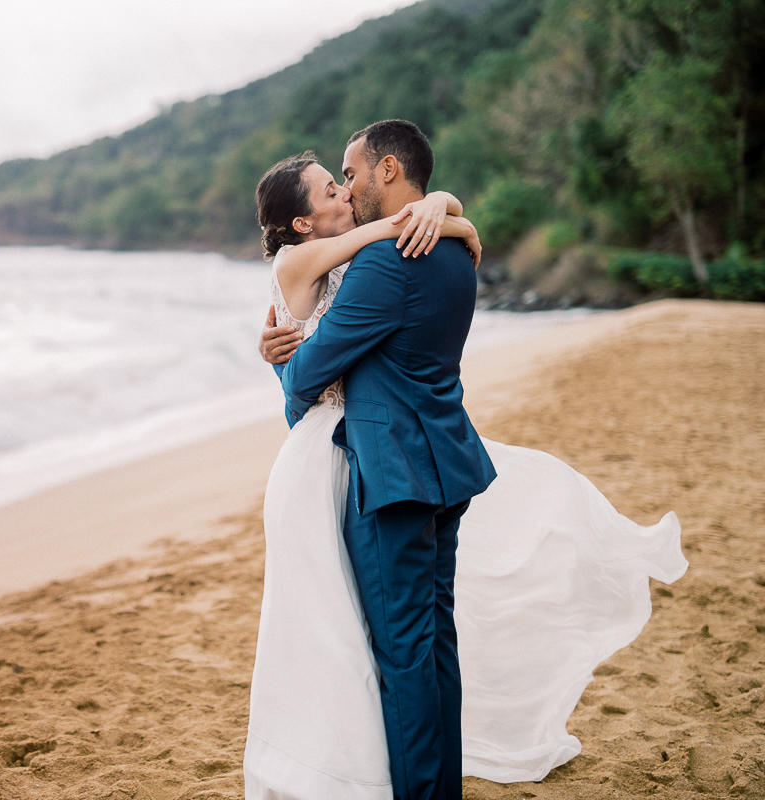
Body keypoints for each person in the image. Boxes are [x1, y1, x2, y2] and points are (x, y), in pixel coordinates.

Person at [245, 120, 687, 800]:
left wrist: (282, 359)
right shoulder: (454, 253)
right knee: (434, 640)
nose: (349, 184)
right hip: (447, 463)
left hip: (393, 476)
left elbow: (305, 384)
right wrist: (448, 209)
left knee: (404, 651)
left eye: (353, 172)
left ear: (390, 170)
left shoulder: (384, 264)